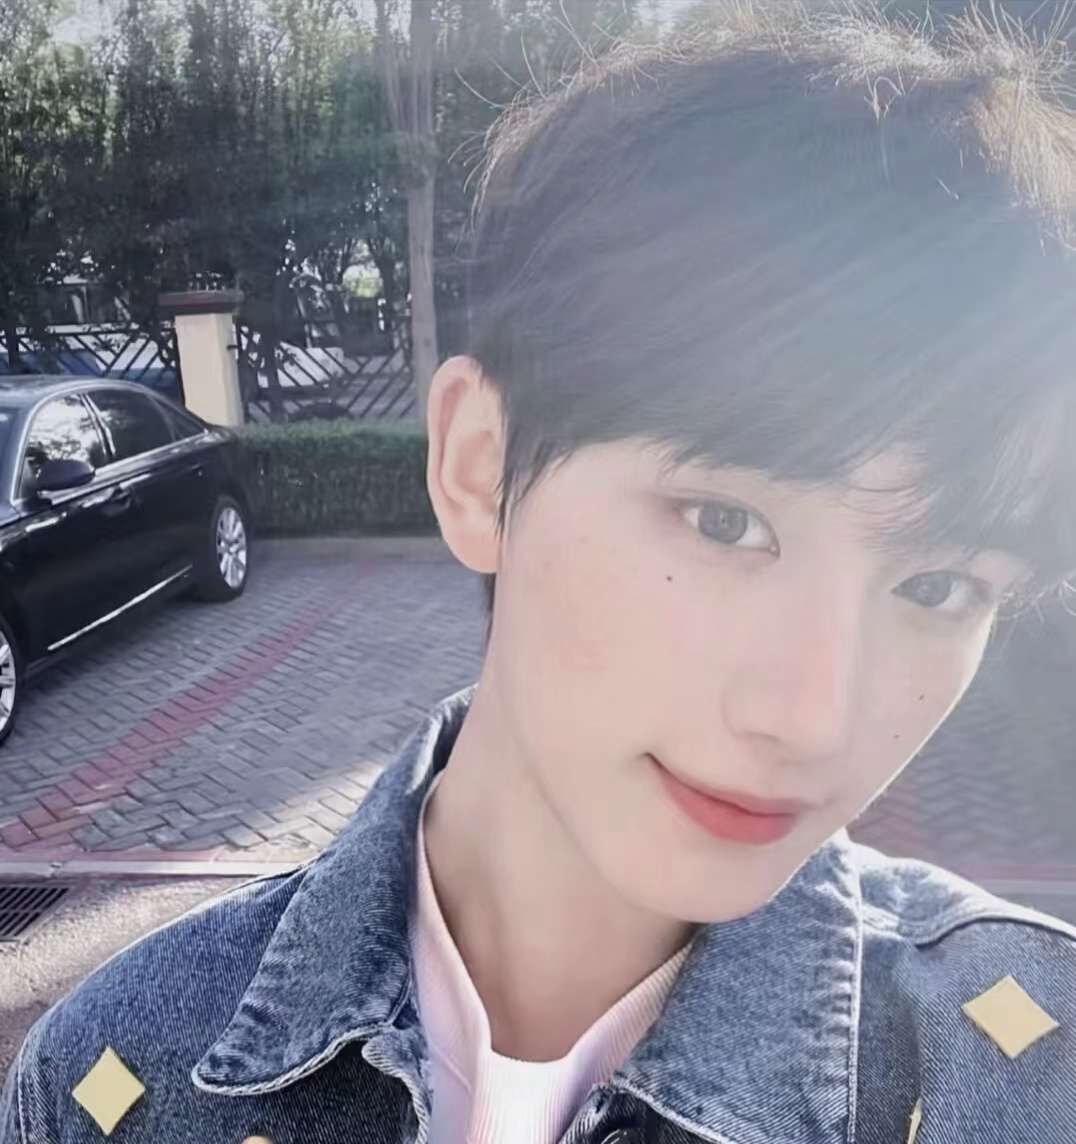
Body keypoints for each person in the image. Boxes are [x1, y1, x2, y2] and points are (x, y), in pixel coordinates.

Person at [5, 3, 1076, 1142]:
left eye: (938, 586)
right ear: (479, 467)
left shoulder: (1023, 1072)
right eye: (724, 521)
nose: (814, 719)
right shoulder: (115, 1084)